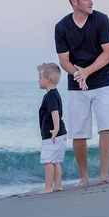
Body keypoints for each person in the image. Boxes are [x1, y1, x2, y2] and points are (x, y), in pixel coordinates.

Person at [55, 0, 109, 186]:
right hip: (77, 86)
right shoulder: (62, 27)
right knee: (78, 132)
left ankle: (104, 174)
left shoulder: (101, 20)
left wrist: (86, 72)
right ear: (75, 2)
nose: (91, 1)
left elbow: (108, 53)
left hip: (103, 81)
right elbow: (63, 59)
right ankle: (84, 177)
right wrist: (78, 75)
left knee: (105, 127)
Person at [36, 62, 67, 194]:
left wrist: (55, 129)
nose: (38, 80)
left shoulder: (50, 96)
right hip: (60, 133)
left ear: (47, 79)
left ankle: (49, 186)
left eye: (40, 78)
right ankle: (58, 185)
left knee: (48, 160)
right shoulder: (55, 94)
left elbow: (55, 112)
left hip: (52, 133)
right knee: (56, 161)